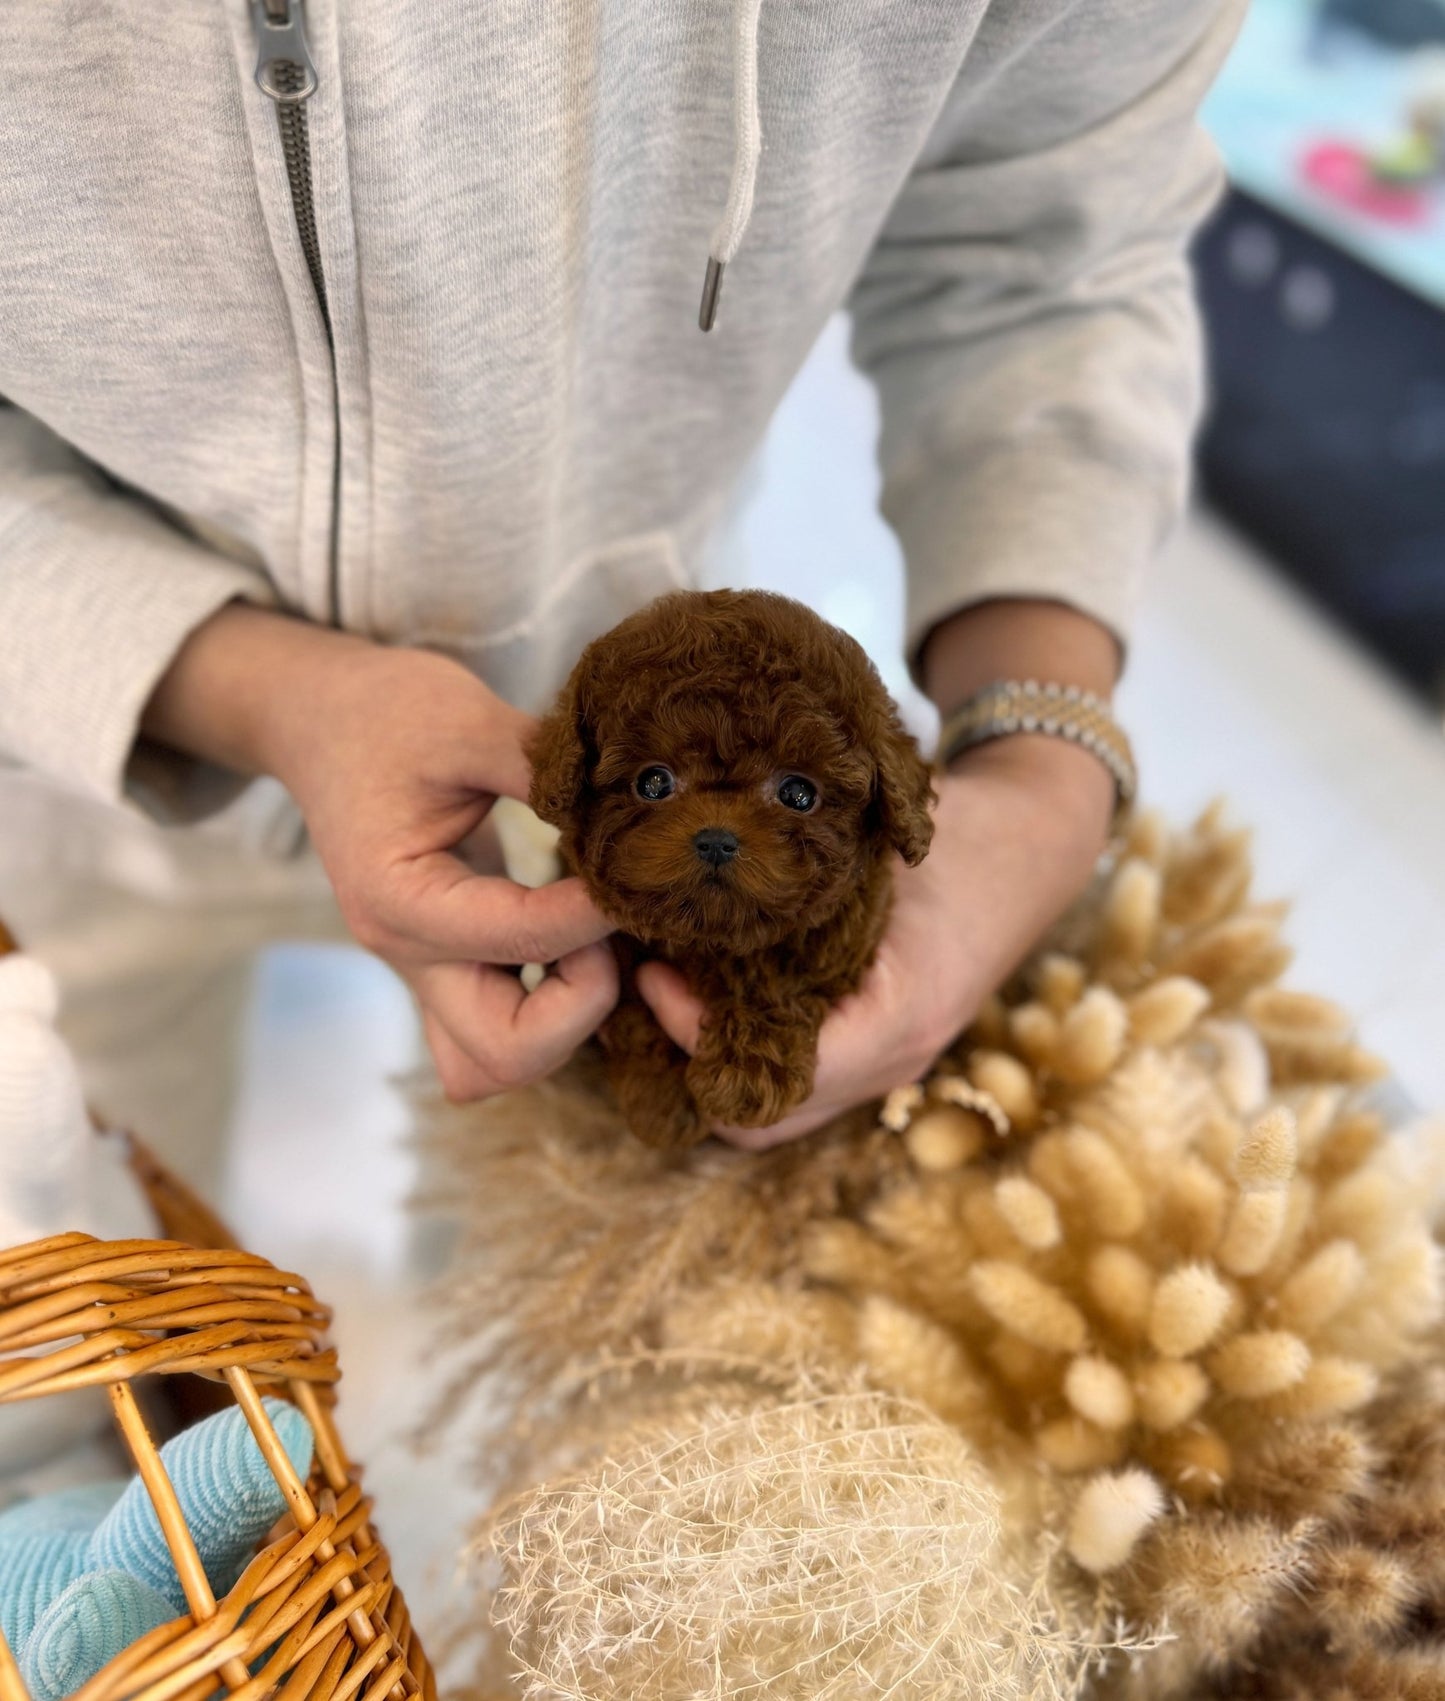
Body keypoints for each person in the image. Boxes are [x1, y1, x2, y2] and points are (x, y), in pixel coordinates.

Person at [0, 0, 1245, 1181]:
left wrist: (1042, 764)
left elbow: (1052, 250)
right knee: (113, 1224)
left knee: (551, 1222)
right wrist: (255, 692)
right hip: (68, 744)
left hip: (596, 791)